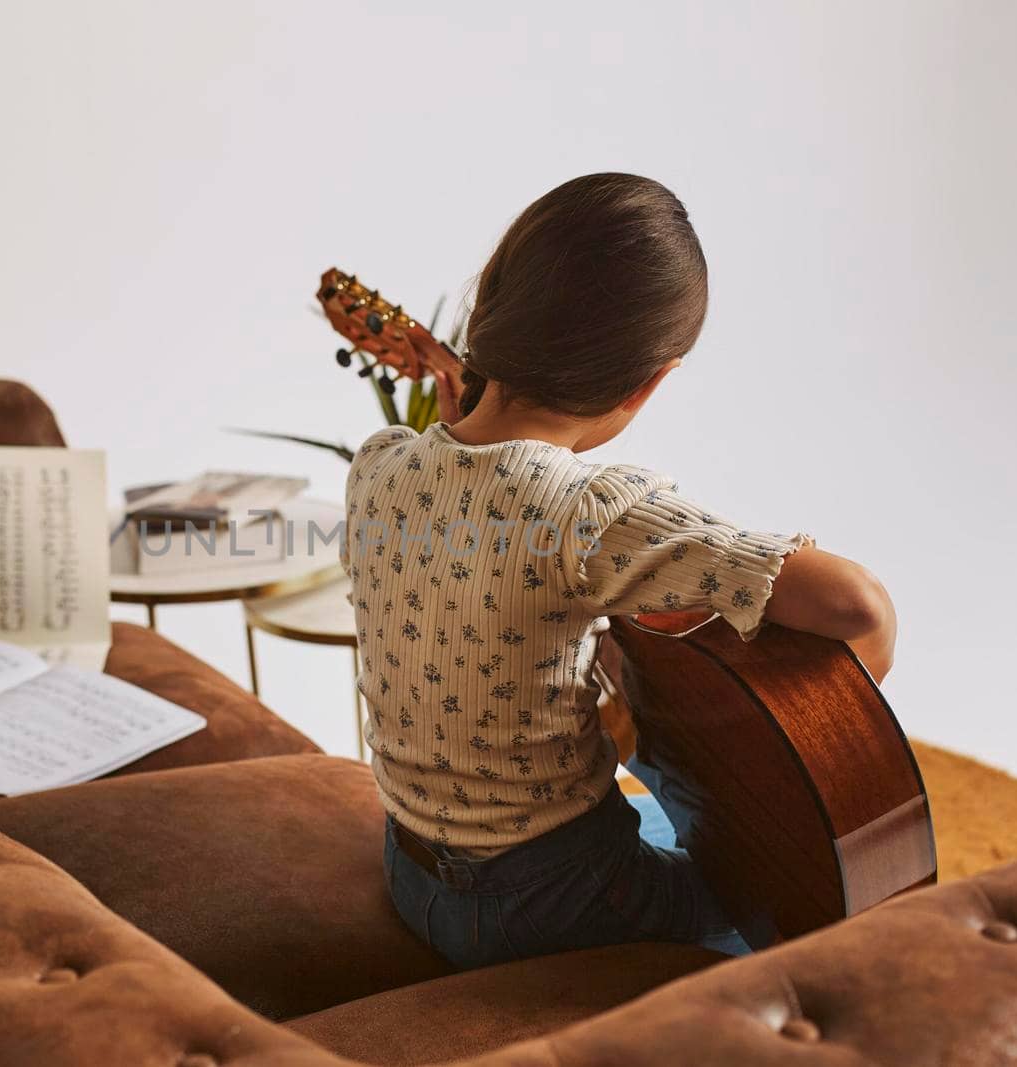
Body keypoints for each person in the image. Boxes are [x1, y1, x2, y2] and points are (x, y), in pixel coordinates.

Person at [340, 172, 896, 968]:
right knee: (800, 911)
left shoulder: (378, 467)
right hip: (552, 903)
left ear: (489, 307)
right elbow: (859, 607)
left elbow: (477, 509)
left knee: (663, 816)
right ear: (650, 381)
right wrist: (802, 748)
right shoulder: (588, 513)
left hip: (412, 874)